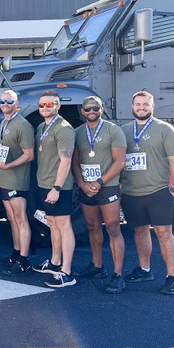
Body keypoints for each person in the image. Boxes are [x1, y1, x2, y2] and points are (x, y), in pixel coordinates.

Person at [120, 90, 174, 295]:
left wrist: (172, 189)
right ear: (132, 107)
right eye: (137, 104)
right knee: (139, 230)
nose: (141, 108)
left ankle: (172, 277)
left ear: (152, 106)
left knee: (163, 233)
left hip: (158, 191)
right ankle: (144, 269)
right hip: (132, 192)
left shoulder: (165, 129)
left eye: (145, 104)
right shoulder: (124, 130)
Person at [71, 96, 127, 294]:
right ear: (83, 112)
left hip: (108, 186)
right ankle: (97, 267)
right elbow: (74, 161)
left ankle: (118, 275)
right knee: (92, 226)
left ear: (101, 109)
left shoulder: (113, 130)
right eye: (87, 109)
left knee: (112, 227)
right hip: (86, 187)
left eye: (95, 108)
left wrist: (99, 182)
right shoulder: (78, 132)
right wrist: (81, 184)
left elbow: (120, 161)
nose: (91, 111)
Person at [32, 90, 77, 287]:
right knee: (52, 223)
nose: (45, 108)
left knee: (63, 225)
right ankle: (54, 262)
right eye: (42, 105)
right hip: (44, 183)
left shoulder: (64, 128)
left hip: (58, 186)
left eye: (49, 104)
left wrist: (57, 188)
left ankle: (67, 272)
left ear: (58, 106)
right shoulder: (42, 126)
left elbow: (66, 161)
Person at [0, 89, 35, 275]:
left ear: (17, 104)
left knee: (21, 219)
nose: (5, 105)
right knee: (12, 219)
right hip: (3, 178)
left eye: (9, 102)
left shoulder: (22, 125)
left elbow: (29, 155)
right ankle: (15, 254)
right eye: (3, 101)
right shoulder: (4, 122)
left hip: (16, 179)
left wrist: (9, 166)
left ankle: (24, 260)